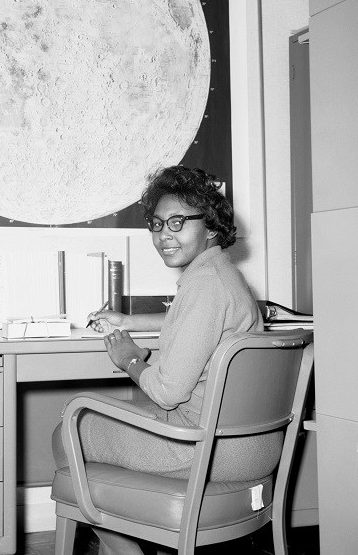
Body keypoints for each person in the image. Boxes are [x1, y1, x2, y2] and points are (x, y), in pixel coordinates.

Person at [52, 164, 281, 555]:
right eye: (157, 225)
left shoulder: (205, 285)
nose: (163, 236)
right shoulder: (219, 276)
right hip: (253, 445)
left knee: (68, 432)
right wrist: (127, 320)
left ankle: (124, 550)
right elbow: (192, 320)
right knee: (104, 426)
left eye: (177, 222)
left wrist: (130, 360)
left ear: (210, 226)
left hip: (205, 448)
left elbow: (166, 392)